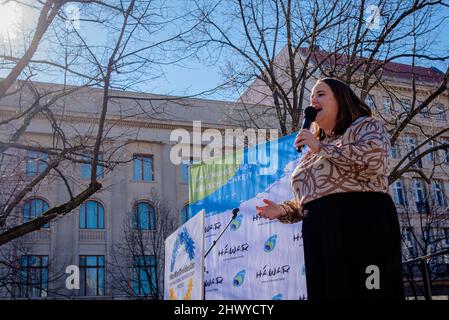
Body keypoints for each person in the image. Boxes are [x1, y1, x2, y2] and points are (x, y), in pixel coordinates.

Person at [256, 78, 404, 300]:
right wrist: (283, 210)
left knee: (370, 291)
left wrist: (321, 147)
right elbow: (315, 197)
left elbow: (375, 162)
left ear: (341, 99)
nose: (313, 100)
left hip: (363, 224)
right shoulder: (313, 150)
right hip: (321, 234)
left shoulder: (365, 125)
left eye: (321, 94)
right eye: (311, 96)